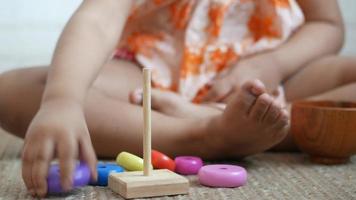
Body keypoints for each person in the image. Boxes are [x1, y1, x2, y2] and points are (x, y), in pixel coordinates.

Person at [0, 0, 353, 197]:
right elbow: (98, 19)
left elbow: (327, 24)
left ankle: (267, 121)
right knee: (12, 91)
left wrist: (272, 63)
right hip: (151, 77)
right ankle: (207, 134)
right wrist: (62, 100)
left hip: (271, 76)